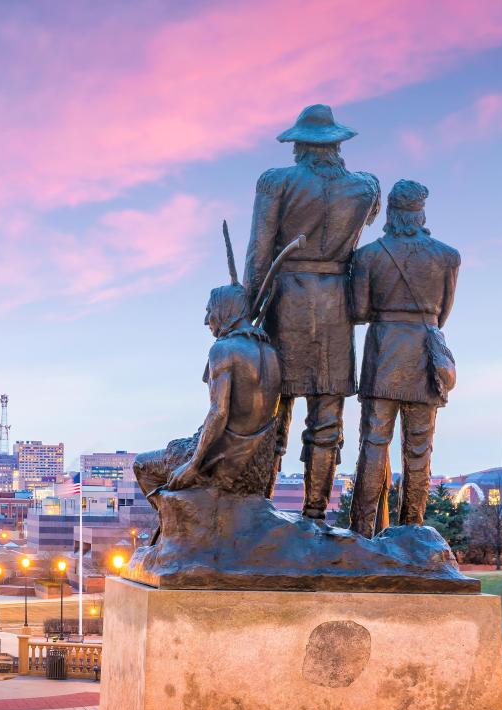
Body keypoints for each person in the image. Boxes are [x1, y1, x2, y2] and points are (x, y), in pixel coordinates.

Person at [244, 104, 381, 520]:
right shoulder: (367, 187)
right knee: (327, 414)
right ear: (338, 145)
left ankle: (259, 507)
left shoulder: (276, 182)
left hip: (287, 300)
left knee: (272, 409)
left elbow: (260, 250)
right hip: (337, 302)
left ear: (299, 145)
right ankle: (315, 512)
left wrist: (246, 313)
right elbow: (368, 223)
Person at [348, 180, 459, 537]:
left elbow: (359, 311)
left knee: (373, 443)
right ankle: (412, 530)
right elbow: (442, 314)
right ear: (421, 212)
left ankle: (362, 530)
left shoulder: (367, 256)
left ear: (391, 214)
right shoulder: (447, 256)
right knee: (419, 448)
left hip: (383, 354)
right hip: (424, 355)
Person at [134, 243, 281, 498]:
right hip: (256, 465)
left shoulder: (223, 349)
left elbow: (219, 412)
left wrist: (192, 465)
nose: (206, 320)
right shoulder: (270, 352)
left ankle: (179, 531)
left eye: (209, 311)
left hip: (223, 460)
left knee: (141, 465)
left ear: (224, 311)